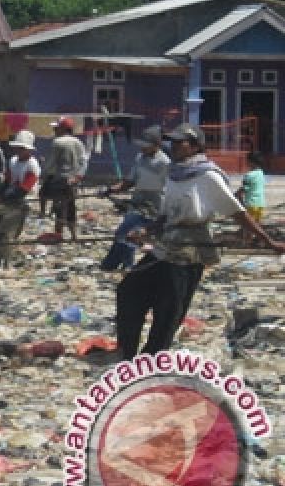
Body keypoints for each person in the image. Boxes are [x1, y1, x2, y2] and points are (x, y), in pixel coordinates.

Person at [117, 124, 285, 359]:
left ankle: (152, 358)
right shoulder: (175, 172)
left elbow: (236, 212)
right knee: (129, 290)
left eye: (180, 142)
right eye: (172, 142)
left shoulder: (208, 175)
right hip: (166, 243)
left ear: (195, 146)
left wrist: (267, 242)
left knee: (169, 307)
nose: (174, 146)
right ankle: (126, 351)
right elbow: (165, 214)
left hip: (190, 248)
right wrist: (147, 231)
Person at [100, 126, 170, 270]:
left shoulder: (165, 162)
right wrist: (110, 190)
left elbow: (171, 187)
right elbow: (130, 181)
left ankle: (116, 264)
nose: (143, 149)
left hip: (156, 203)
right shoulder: (140, 158)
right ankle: (124, 264)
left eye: (147, 146)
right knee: (124, 232)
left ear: (157, 145)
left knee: (136, 234)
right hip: (138, 199)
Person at [0, 130, 40, 269]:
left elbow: (24, 188)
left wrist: (4, 196)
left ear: (28, 150)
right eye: (18, 148)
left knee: (7, 234)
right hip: (9, 201)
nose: (19, 151)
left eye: (22, 148)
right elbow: (8, 180)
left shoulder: (32, 165)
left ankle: (3, 263)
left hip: (21, 203)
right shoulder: (13, 161)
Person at [43, 116, 89, 241]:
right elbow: (84, 162)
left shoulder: (57, 142)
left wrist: (45, 173)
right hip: (73, 181)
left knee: (59, 208)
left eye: (56, 128)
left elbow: (50, 165)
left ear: (63, 129)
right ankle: (74, 236)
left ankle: (59, 235)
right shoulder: (78, 142)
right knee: (71, 207)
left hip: (60, 180)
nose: (54, 130)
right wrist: (78, 177)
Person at [237, 152, 267, 246]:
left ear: (251, 162)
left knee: (248, 226)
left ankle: (247, 243)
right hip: (261, 204)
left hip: (251, 204)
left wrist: (237, 197)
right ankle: (260, 242)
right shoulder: (261, 173)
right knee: (257, 225)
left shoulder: (248, 175)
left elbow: (242, 190)